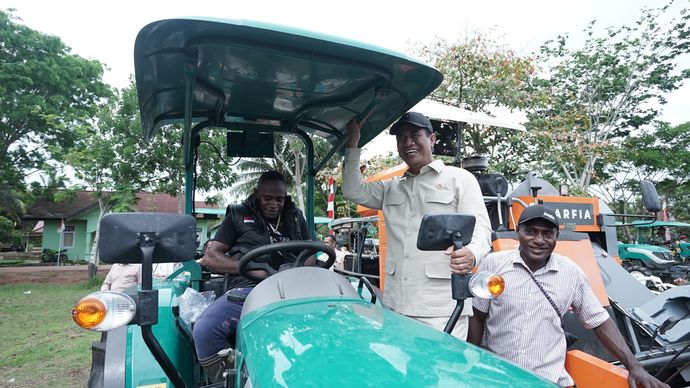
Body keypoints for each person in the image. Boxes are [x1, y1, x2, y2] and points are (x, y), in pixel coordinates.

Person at [467, 204, 669, 388]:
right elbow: (477, 317)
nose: (539, 240)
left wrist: (635, 367)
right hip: (498, 378)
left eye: (547, 234)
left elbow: (598, 321)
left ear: (557, 236)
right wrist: (471, 366)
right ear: (518, 232)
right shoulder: (493, 265)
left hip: (548, 380)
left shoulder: (570, 272)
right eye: (531, 232)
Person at [342, 112, 492, 339]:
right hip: (396, 306)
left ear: (431, 139)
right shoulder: (390, 188)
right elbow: (352, 190)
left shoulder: (459, 179)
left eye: (415, 135)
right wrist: (353, 145)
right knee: (402, 374)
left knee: (441, 372)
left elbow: (481, 227)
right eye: (401, 137)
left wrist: (472, 253)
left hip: (441, 309)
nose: (408, 142)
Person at [192, 171, 311, 381]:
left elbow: (311, 252)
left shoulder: (295, 216)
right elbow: (211, 256)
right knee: (205, 330)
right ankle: (228, 380)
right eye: (268, 198)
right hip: (249, 289)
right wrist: (247, 269)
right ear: (257, 193)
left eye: (279, 199)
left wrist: (298, 268)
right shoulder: (237, 216)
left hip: (294, 288)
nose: (274, 204)